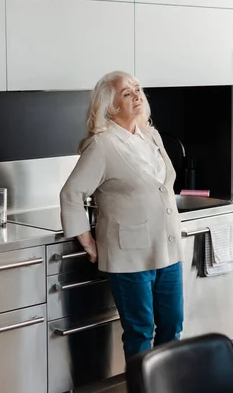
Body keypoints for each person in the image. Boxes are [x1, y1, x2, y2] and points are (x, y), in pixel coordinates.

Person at [60, 71, 184, 360]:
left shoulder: (151, 136)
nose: (137, 95)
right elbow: (71, 194)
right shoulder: (102, 145)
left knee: (172, 324)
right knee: (140, 330)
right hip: (129, 254)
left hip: (167, 247)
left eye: (138, 89)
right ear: (110, 106)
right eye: (126, 93)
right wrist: (88, 242)